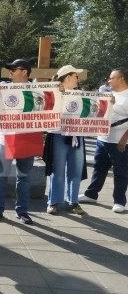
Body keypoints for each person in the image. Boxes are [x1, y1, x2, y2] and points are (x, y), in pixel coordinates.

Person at [0, 59, 37, 224]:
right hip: (6, 137)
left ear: (24, 72)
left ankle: (22, 211)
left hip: (28, 137)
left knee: (24, 176)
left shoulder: (37, 90)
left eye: (13, 69)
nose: (10, 72)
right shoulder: (3, 88)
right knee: (1, 175)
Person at [79, 67, 128, 213]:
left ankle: (119, 201)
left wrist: (123, 140)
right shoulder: (109, 94)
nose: (108, 81)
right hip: (103, 138)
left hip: (119, 141)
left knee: (121, 171)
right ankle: (91, 194)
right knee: (99, 168)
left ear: (121, 79)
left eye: (111, 78)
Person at [44, 65, 86, 215]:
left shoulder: (80, 93)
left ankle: (73, 201)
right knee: (58, 169)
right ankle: (54, 201)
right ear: (67, 77)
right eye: (76, 76)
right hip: (58, 134)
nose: (78, 79)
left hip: (76, 135)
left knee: (76, 169)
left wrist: (109, 102)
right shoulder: (53, 93)